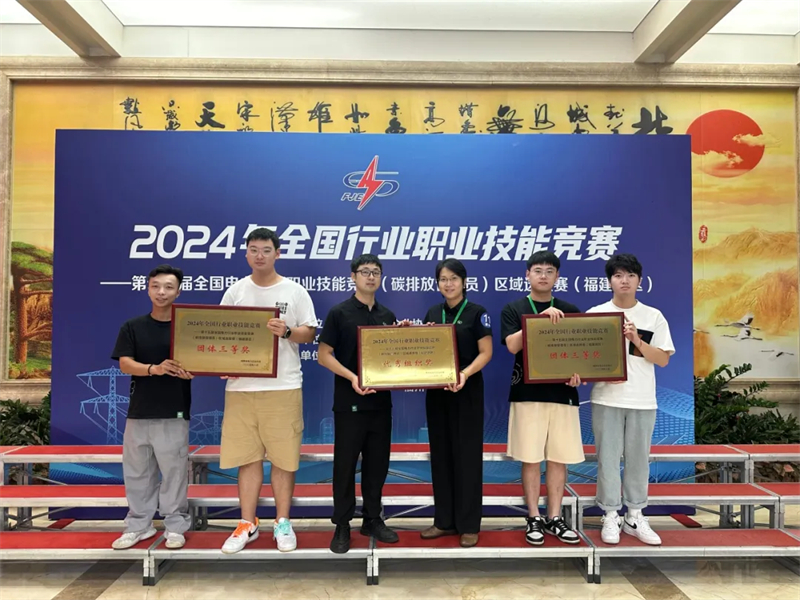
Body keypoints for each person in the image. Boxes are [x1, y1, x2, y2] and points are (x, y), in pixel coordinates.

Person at [219, 228, 318, 554]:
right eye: (253, 249)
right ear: (246, 253)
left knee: (283, 458)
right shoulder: (235, 292)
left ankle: (282, 522)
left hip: (283, 386)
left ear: (278, 253)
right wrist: (223, 364)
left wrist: (287, 331)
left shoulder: (295, 291)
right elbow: (221, 335)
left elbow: (309, 333)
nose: (259, 255)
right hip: (241, 389)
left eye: (265, 249)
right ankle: (246, 523)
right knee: (247, 458)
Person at [587, 253, 674, 546]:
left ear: (640, 281)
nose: (624, 281)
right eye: (618, 275)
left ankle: (635, 515)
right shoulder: (596, 314)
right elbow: (585, 359)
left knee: (638, 460)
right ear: (609, 281)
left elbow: (662, 359)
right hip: (606, 398)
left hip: (642, 400)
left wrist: (637, 340)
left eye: (630, 275)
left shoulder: (653, 316)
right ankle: (610, 514)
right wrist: (590, 374)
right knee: (608, 460)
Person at [318, 254, 402, 554]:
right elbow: (323, 355)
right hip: (349, 402)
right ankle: (342, 524)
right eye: (365, 272)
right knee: (345, 466)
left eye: (376, 272)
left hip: (381, 404)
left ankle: (372, 519)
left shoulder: (387, 315)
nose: (370, 277)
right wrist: (353, 377)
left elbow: (392, 357)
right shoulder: (339, 313)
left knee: (377, 465)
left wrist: (404, 337)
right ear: (353, 276)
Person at [500, 251, 584, 546]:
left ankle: (555, 517)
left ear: (557, 276)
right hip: (527, 393)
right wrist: (538, 321)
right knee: (531, 457)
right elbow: (512, 346)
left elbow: (579, 352)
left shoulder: (570, 309)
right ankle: (534, 517)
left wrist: (580, 374)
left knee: (559, 458)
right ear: (528, 274)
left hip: (563, 393)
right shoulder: (514, 308)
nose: (544, 275)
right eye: (538, 270)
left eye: (550, 271)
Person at [111, 264, 193, 550]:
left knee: (174, 473)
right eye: (156, 286)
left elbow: (202, 359)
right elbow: (125, 364)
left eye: (169, 287)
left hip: (174, 410)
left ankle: (175, 526)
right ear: (147, 289)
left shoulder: (188, 327)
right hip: (139, 412)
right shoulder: (132, 327)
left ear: (178, 291)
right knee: (137, 473)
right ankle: (138, 525)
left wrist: (195, 369)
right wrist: (153, 369)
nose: (161, 292)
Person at [419, 259, 492, 548]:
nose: (448, 284)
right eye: (443, 279)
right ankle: (444, 521)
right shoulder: (432, 313)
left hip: (467, 390)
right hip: (438, 392)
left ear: (463, 281)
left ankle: (469, 525)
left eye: (453, 278)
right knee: (441, 455)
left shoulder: (477, 312)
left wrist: (464, 374)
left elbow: (485, 353)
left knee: (467, 457)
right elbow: (424, 348)